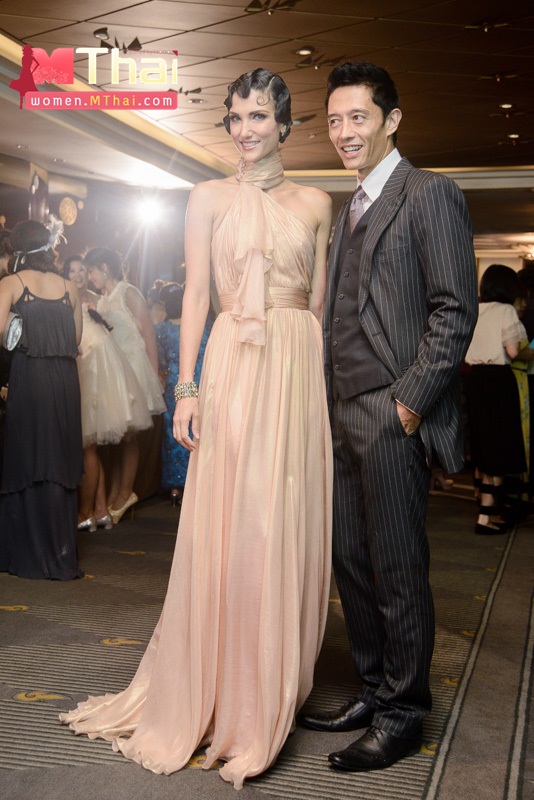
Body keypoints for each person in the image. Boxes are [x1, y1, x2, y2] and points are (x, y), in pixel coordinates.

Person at [60, 68, 333, 789]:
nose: (245, 130)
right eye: (236, 117)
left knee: (282, 520)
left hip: (296, 371)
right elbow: (198, 298)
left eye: (259, 116)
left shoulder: (316, 203)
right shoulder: (206, 197)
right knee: (234, 520)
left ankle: (270, 686)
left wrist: (319, 393)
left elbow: (319, 310)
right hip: (234, 368)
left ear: (284, 123)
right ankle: (219, 688)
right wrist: (187, 388)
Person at [300, 62, 478, 772]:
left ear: (392, 120)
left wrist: (408, 403)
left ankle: (404, 713)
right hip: (341, 410)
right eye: (335, 120)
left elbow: (454, 309)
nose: (344, 132)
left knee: (398, 568)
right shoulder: (350, 206)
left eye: (358, 117)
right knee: (352, 561)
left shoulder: (430, 193)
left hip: (390, 409)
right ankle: (374, 690)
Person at [0, 219, 84, 579]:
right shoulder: (70, 288)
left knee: (28, 454)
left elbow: (1, 335)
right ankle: (60, 551)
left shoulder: (11, 283)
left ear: (17, 250)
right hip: (64, 382)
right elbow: (75, 339)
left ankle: (24, 550)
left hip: (30, 377)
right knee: (58, 458)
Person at [63, 255, 153, 531]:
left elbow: (146, 332)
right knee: (98, 443)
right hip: (93, 367)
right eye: (74, 270)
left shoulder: (111, 296)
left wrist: (154, 370)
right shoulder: (87, 298)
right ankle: (103, 506)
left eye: (85, 270)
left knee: (109, 439)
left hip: (110, 367)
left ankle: (107, 502)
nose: (82, 275)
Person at [83, 247, 165, 523]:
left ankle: (125, 493)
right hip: (115, 372)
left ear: (104, 267)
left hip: (134, 366)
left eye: (91, 270)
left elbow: (149, 334)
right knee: (120, 436)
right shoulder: (103, 299)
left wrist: (153, 373)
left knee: (129, 436)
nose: (90, 276)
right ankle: (117, 493)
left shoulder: (129, 292)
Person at [464, 264, 527, 532]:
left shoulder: (475, 310)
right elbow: (513, 351)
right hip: (498, 381)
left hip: (474, 378)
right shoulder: (506, 310)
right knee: (499, 444)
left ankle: (485, 506)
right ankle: (486, 517)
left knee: (483, 442)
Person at [155, 281, 209, 506]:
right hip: (197, 379)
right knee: (194, 429)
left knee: (176, 432)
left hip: (180, 382)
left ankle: (179, 486)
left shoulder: (162, 329)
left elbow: (161, 361)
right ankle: (193, 482)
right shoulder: (203, 325)